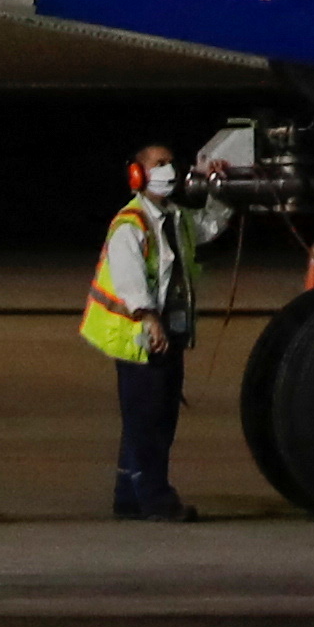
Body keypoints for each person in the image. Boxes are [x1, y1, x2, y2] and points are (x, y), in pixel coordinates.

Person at [79, 139, 227, 521]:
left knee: (145, 422)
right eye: (159, 163)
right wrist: (149, 318)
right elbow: (130, 281)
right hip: (140, 338)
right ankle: (157, 501)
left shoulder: (175, 218)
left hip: (168, 335)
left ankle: (128, 497)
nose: (169, 170)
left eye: (171, 162)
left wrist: (219, 191)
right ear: (138, 174)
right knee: (151, 425)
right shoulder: (131, 225)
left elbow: (208, 226)